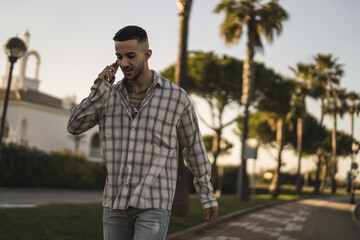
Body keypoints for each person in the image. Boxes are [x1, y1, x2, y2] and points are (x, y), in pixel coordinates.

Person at [67, 25, 218, 240]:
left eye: (130, 56)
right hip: (114, 203)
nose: (124, 63)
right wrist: (99, 90)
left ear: (147, 54)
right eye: (118, 57)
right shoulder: (107, 95)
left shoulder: (176, 97)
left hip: (154, 203)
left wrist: (207, 195)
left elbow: (193, 147)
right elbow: (74, 126)